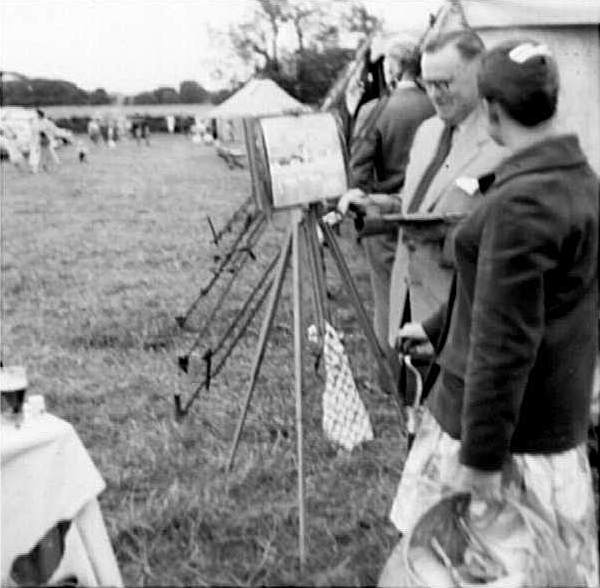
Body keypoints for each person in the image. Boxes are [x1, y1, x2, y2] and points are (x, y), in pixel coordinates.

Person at [381, 40, 599, 586]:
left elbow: (506, 345)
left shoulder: (520, 203)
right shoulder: (580, 181)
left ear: (493, 110)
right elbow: (540, 304)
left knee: (473, 572)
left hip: (508, 442)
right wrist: (439, 332)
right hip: (552, 429)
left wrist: (478, 464)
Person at [386, 29, 507, 351]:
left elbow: (511, 239)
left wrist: (446, 236)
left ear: (480, 75)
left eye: (445, 84)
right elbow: (420, 201)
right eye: (428, 84)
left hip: (460, 319)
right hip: (409, 301)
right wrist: (374, 207)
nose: (435, 95)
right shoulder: (427, 131)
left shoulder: (505, 141)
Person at [335, 39, 434, 395]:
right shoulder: (436, 106)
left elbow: (357, 175)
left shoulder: (375, 110)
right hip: (430, 214)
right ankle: (427, 376)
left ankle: (394, 380)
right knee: (430, 296)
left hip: (384, 220)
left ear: (392, 69)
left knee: (388, 302)